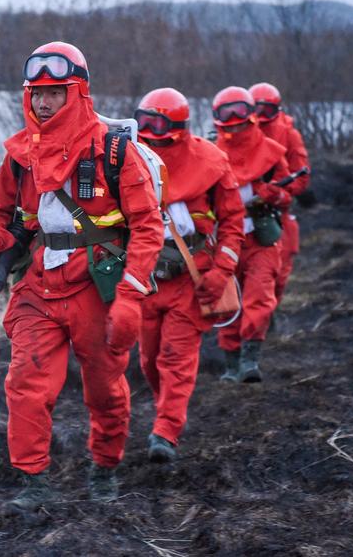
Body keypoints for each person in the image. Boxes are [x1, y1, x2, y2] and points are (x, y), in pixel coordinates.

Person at [0, 41, 164, 510]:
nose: (43, 102)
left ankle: (105, 468)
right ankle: (33, 482)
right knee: (26, 383)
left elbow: (147, 226)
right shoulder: (20, 154)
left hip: (97, 287)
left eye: (54, 92)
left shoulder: (114, 150)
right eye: (36, 92)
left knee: (105, 390)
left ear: (77, 92)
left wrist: (130, 295)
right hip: (38, 286)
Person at [134, 88, 245, 461]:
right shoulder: (129, 158)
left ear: (178, 126)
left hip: (191, 278)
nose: (151, 131)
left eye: (158, 123)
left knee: (175, 357)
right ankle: (165, 409)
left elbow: (233, 221)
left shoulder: (211, 161)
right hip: (146, 277)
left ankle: (166, 432)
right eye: (145, 121)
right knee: (149, 360)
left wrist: (222, 270)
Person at [212, 86, 291, 383]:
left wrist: (271, 194)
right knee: (226, 302)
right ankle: (231, 365)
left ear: (252, 118)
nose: (235, 126)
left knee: (259, 297)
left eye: (241, 121)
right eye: (229, 122)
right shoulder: (210, 155)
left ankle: (250, 361)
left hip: (261, 238)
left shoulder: (271, 152)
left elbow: (287, 194)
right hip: (225, 240)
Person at [248, 82, 311, 306]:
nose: (261, 115)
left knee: (279, 273)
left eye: (266, 109)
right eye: (256, 109)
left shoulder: (289, 134)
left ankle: (269, 312)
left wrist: (278, 192)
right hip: (243, 213)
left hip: (276, 212)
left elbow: (301, 177)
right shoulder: (239, 133)